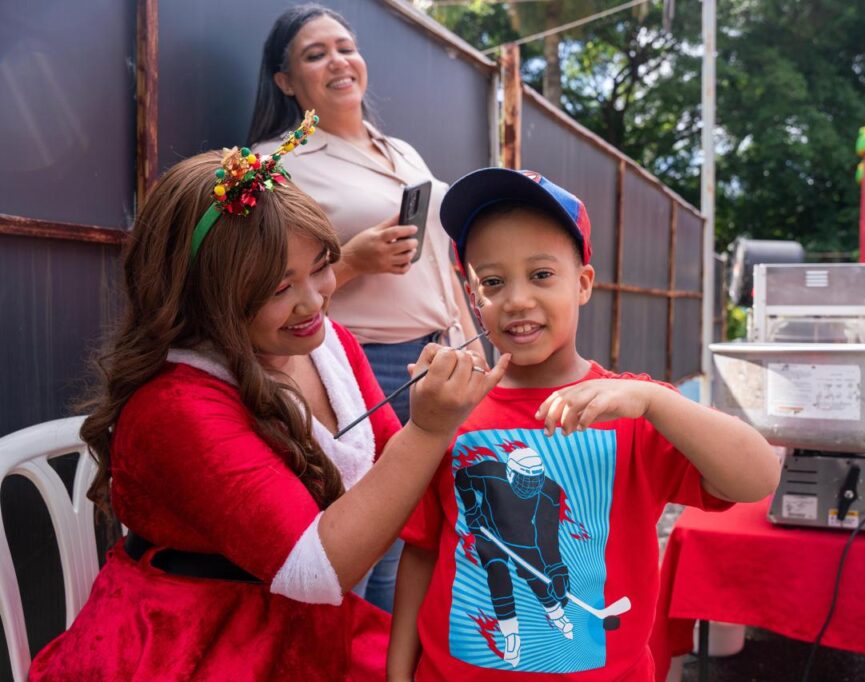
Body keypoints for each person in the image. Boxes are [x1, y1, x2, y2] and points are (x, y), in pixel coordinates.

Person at [28, 127, 508, 680]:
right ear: (205, 296)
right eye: (279, 289)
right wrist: (427, 431)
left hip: (301, 625)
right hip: (195, 643)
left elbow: (388, 463)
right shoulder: (176, 407)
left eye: (321, 266)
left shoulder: (327, 344)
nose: (314, 301)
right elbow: (318, 570)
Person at [387, 168, 781, 680]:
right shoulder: (450, 410)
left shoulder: (630, 410)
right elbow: (421, 553)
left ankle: (557, 618)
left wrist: (656, 401)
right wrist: (398, 673)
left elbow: (758, 478)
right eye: (493, 282)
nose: (518, 299)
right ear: (474, 299)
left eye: (541, 274)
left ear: (583, 284)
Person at [248, 4, 484, 612]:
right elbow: (261, 287)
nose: (338, 62)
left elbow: (440, 259)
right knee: (355, 536)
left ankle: (382, 653)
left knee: (413, 535)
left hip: (437, 355)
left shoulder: (400, 150)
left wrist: (471, 343)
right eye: (315, 54)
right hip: (361, 365)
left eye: (345, 47)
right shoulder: (275, 163)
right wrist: (350, 259)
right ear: (285, 81)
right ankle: (340, 651)